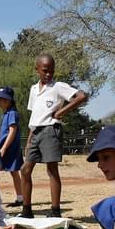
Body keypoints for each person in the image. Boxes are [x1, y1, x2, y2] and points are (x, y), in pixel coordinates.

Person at [19, 53, 87, 218]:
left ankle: (55, 211)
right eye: (45, 70)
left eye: (51, 70)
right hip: (36, 131)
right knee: (25, 170)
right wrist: (29, 140)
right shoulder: (34, 90)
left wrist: (61, 112)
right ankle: (26, 210)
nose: (48, 74)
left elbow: (81, 96)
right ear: (37, 70)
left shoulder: (58, 87)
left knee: (52, 170)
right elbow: (34, 116)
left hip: (51, 130)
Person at [0, 86, 24, 208]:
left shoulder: (12, 113)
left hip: (10, 147)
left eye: (2, 99)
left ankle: (20, 197)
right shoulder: (6, 114)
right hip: (3, 146)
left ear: (9, 100)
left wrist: (4, 147)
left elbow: (12, 130)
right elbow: (2, 132)